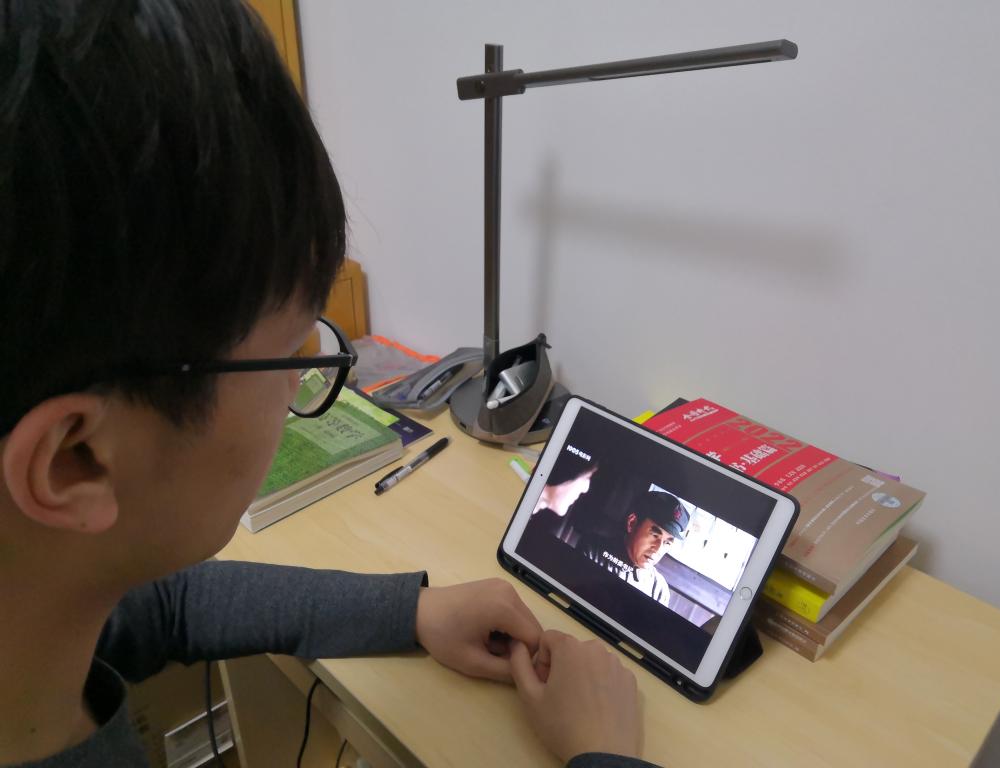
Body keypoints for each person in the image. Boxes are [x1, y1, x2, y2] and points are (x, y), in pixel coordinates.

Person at [0, 3, 659, 767]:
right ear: (75, 459)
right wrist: (605, 756)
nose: (298, 389)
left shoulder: (40, 597)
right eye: (288, 356)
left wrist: (410, 609)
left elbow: (165, 606)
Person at [577, 490, 689, 607]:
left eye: (667, 543)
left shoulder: (659, 590)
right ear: (632, 523)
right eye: (655, 535)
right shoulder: (594, 550)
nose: (658, 549)